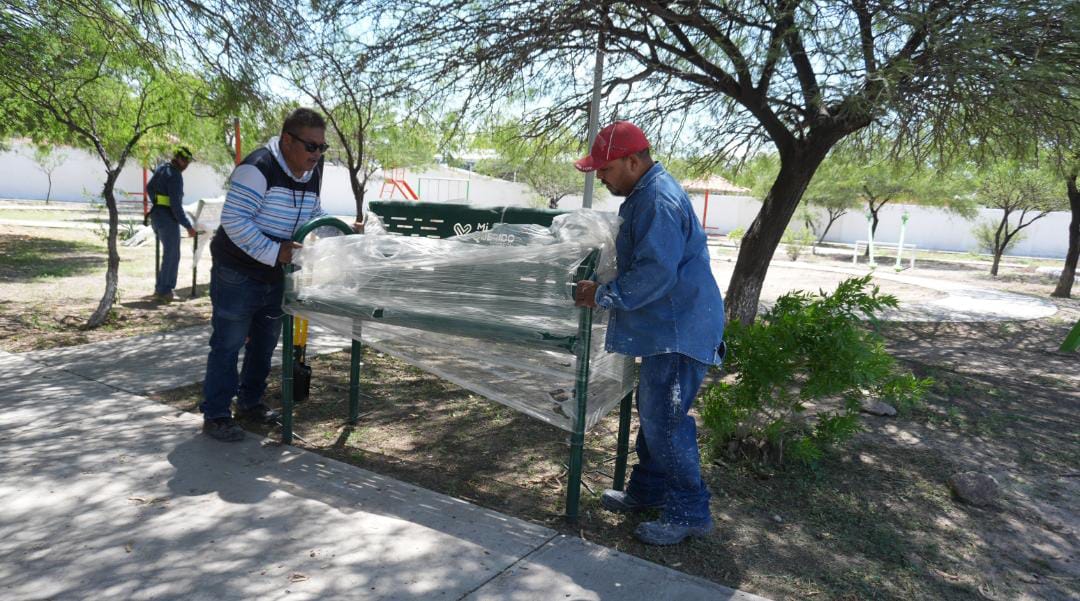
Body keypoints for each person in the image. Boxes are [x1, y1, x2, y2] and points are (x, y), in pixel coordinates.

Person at [573, 121, 726, 546]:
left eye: (605, 169)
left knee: (666, 420)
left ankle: (689, 513)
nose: (601, 178)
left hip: (679, 328)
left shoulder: (657, 198)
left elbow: (656, 272)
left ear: (632, 161)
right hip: (673, 324)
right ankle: (648, 491)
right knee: (657, 413)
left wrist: (603, 295)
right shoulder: (647, 193)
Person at [201, 107, 336, 442]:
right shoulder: (258, 167)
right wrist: (275, 251)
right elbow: (234, 220)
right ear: (287, 140)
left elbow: (313, 212)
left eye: (322, 147)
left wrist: (342, 233)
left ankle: (250, 403)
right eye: (311, 146)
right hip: (238, 271)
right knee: (228, 343)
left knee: (264, 344)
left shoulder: (311, 171)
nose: (317, 154)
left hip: (276, 272)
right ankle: (216, 414)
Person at [146, 146, 196, 302]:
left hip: (156, 215)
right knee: (172, 255)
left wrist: (157, 201)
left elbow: (149, 187)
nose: (187, 164)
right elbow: (176, 206)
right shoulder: (174, 175)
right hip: (167, 218)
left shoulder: (162, 168)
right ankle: (165, 291)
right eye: (185, 161)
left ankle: (161, 289)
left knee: (169, 253)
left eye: (188, 162)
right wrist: (188, 226)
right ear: (179, 158)